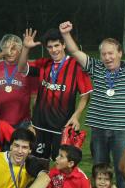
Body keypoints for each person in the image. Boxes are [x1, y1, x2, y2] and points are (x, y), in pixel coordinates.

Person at [59, 21, 125, 188]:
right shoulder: (96, 67)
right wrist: (66, 34)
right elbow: (74, 52)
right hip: (99, 130)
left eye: (111, 53)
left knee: (122, 168)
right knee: (99, 170)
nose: (107, 57)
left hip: (121, 131)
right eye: (104, 54)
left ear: (120, 53)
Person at [18, 28, 92, 160]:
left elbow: (85, 95)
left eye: (57, 45)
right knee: (37, 163)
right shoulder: (44, 64)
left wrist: (76, 115)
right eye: (50, 47)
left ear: (64, 45)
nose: (54, 50)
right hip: (40, 125)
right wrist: (25, 48)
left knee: (63, 165)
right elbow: (21, 68)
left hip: (63, 127)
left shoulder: (76, 66)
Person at [0, 34, 36, 128]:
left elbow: (34, 98)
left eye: (14, 48)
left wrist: (33, 122)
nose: (10, 52)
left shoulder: (28, 70)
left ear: (20, 51)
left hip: (23, 122)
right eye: (7, 49)